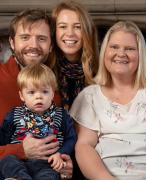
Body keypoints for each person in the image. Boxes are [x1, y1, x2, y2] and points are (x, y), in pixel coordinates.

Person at [70, 20, 146, 180]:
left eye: (129, 49)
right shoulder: (89, 96)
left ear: (140, 54)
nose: (121, 53)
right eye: (114, 47)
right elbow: (84, 146)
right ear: (105, 51)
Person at [0, 9, 73, 179]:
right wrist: (20, 150)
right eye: (25, 37)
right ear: (12, 42)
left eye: (41, 39)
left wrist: (66, 162)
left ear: (51, 46)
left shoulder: (56, 87)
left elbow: (67, 136)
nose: (33, 45)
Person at [0, 63, 76, 180]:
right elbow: (3, 139)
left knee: (50, 175)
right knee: (7, 161)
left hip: (47, 163)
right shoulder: (14, 115)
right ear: (21, 95)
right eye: (31, 92)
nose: (38, 97)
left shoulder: (61, 115)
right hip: (19, 160)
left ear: (52, 94)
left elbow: (71, 138)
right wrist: (13, 150)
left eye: (44, 92)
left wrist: (60, 153)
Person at [52, 0, 99, 110]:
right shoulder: (46, 70)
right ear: (54, 31)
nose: (70, 33)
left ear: (87, 31)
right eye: (63, 26)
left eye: (78, 27)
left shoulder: (100, 70)